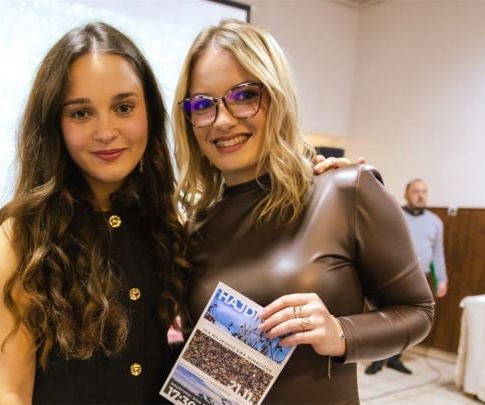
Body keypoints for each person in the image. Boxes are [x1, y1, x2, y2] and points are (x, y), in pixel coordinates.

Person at [173, 19, 435, 403]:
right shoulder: (197, 228)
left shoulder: (345, 190)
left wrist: (339, 333)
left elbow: (418, 311)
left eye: (244, 95)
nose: (223, 120)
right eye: (202, 104)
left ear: (277, 96)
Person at [0, 22, 189, 404]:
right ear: (54, 125)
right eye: (80, 113)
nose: (105, 131)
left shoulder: (162, 222)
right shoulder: (23, 237)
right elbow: (10, 393)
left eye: (123, 108)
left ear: (150, 113)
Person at [365, 178, 448, 375]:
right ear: (406, 194)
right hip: (393, 276)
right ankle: (378, 359)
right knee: (384, 319)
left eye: (424, 191)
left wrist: (442, 279)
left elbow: (438, 253)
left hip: (421, 277)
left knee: (407, 321)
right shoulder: (395, 215)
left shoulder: (435, 222)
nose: (421, 195)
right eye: (416, 191)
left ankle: (395, 358)